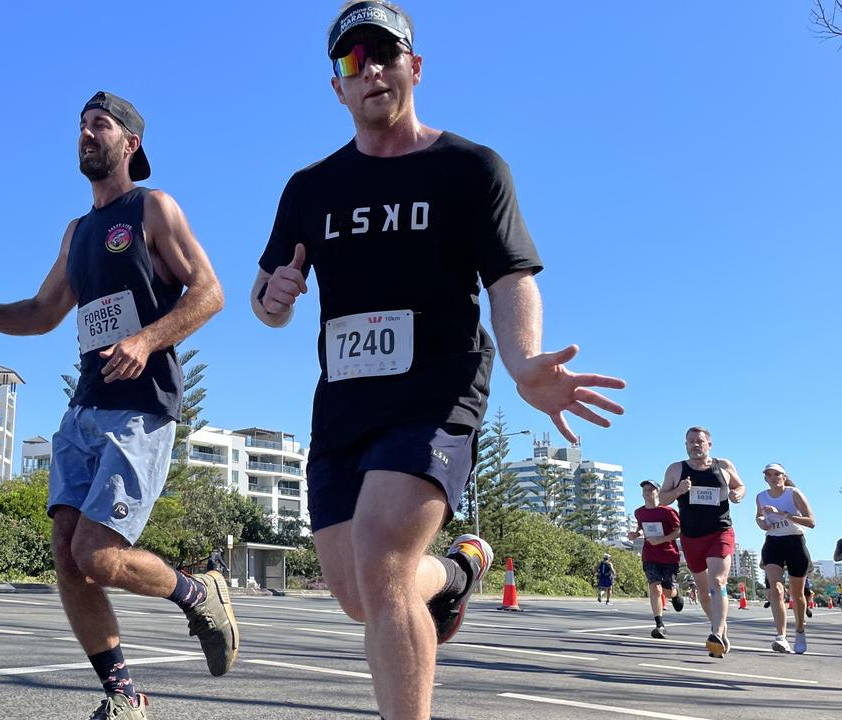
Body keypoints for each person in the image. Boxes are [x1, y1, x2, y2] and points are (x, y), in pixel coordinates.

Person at [249, 3, 626, 717]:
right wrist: (275, 297)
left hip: (436, 392)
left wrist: (522, 361)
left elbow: (512, 277)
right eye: (352, 62)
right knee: (359, 594)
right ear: (338, 87)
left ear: (414, 68)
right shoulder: (310, 189)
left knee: (384, 563)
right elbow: (266, 301)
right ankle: (455, 575)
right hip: (343, 409)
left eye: (385, 55)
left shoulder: (471, 168)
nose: (371, 72)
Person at [0, 91, 234, 719]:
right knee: (69, 560)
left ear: (131, 143)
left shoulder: (153, 208)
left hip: (140, 408)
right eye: (80, 126)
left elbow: (209, 293)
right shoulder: (77, 232)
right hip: (83, 410)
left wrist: (148, 339)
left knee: (98, 554)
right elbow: (43, 314)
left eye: (100, 125)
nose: (86, 134)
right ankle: (124, 698)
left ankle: (198, 592)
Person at [658, 426, 746, 658]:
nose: (695, 445)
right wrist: (678, 490)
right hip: (692, 535)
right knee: (704, 591)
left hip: (720, 530)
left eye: (699, 441)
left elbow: (740, 486)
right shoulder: (676, 469)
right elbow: (661, 499)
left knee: (718, 579)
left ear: (709, 444)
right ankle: (720, 630)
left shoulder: (724, 466)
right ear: (685, 445)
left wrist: (738, 494)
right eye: (690, 442)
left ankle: (716, 632)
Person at [756, 462, 815, 653]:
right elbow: (759, 517)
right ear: (765, 478)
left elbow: (811, 521)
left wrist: (782, 514)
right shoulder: (761, 497)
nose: (773, 478)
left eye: (777, 474)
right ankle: (781, 637)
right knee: (776, 590)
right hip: (773, 543)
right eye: (769, 475)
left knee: (797, 595)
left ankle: (799, 630)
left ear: (784, 476)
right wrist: (761, 522)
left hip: (795, 542)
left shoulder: (793, 493)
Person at [627, 480, 684, 637]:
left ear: (657, 492)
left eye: (651, 489)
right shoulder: (639, 512)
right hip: (650, 555)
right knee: (655, 588)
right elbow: (641, 528)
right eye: (645, 489)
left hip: (669, 555)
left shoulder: (668, 511)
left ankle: (676, 593)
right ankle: (659, 625)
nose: (647, 492)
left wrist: (662, 539)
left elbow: (679, 531)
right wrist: (635, 534)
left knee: (666, 591)